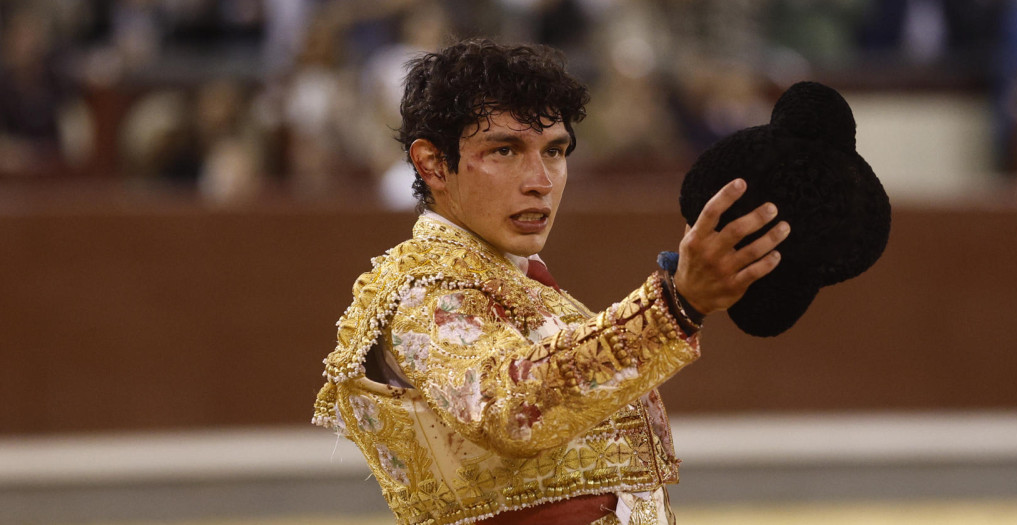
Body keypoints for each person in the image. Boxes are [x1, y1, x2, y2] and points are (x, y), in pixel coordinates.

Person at [312, 38, 790, 525]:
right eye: (504, 150)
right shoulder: (423, 291)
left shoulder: (526, 289)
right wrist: (676, 305)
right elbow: (507, 406)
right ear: (433, 164)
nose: (540, 179)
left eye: (555, 151)